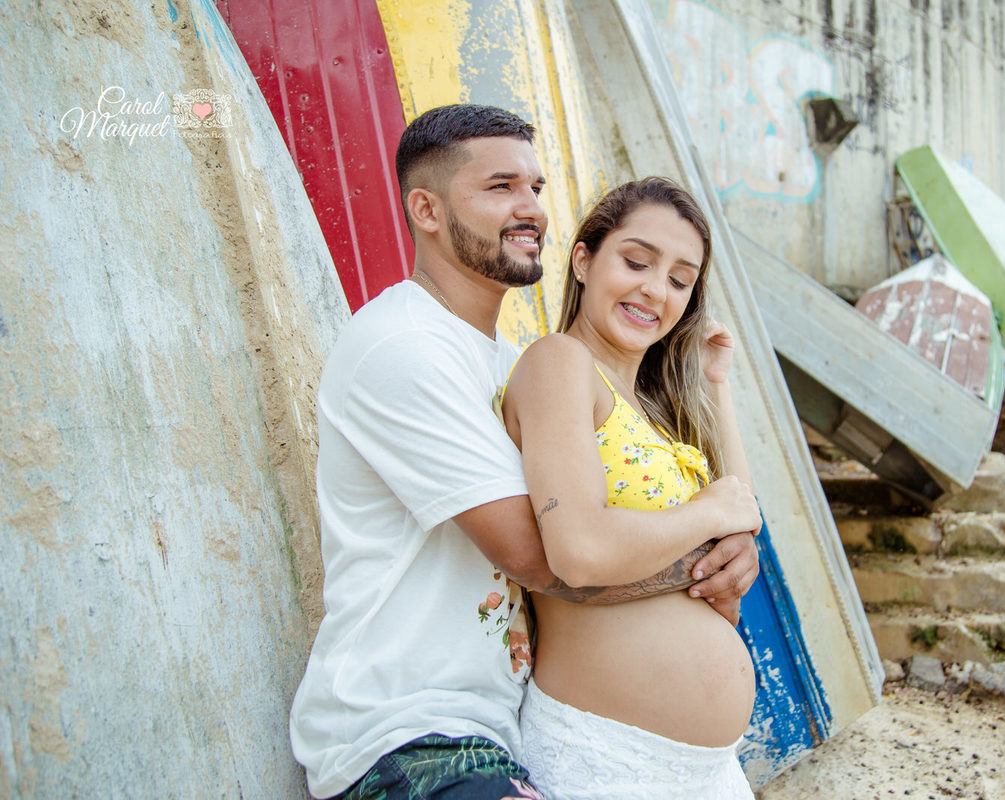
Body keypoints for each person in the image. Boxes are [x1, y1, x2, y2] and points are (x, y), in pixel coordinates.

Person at [288, 104, 762, 800]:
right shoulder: (404, 348)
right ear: (426, 209)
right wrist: (709, 551)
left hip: (499, 720)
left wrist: (732, 543)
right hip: (410, 730)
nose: (531, 208)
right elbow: (550, 559)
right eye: (500, 186)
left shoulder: (506, 361)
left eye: (536, 188)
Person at [500, 177, 759, 799]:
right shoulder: (559, 362)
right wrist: (707, 518)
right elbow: (580, 549)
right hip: (606, 754)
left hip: (707, 771)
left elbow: (740, 513)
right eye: (637, 262)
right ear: (583, 260)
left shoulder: (650, 409)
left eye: (679, 280)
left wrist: (715, 383)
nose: (655, 290)